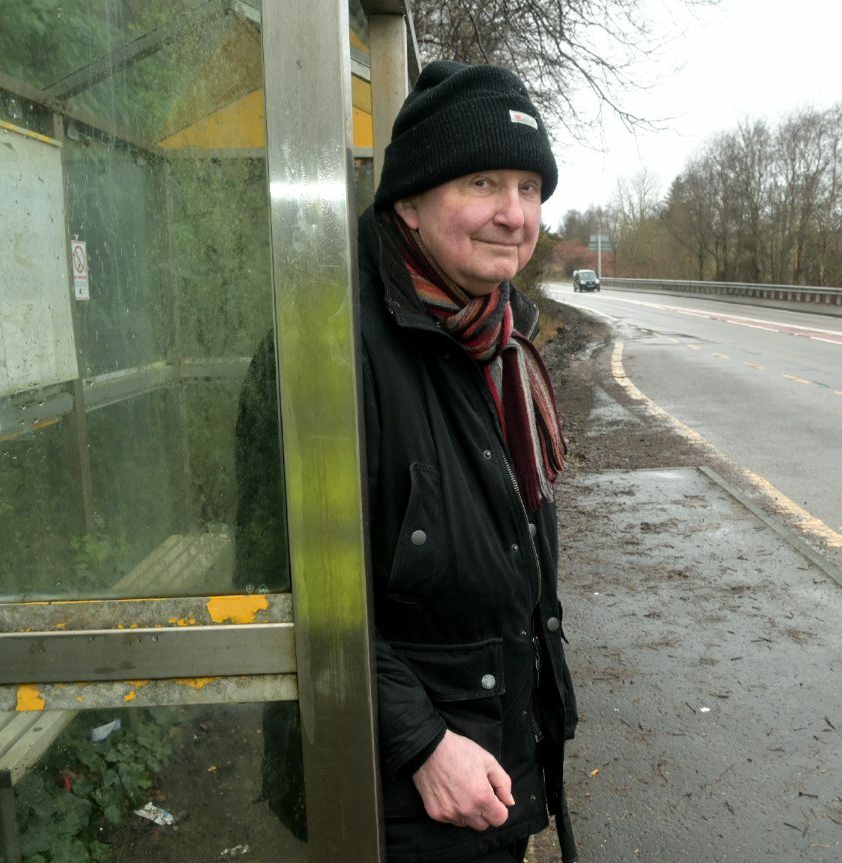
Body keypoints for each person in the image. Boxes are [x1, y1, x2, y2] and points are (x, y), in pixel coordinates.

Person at [235, 60, 579, 863]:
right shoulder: (328, 346)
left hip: (495, 759)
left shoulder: (497, 335)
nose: (512, 214)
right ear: (409, 204)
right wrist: (419, 742)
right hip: (394, 792)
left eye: (529, 188)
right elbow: (281, 582)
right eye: (481, 183)